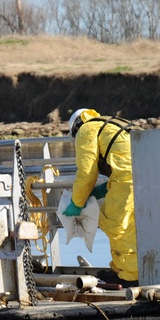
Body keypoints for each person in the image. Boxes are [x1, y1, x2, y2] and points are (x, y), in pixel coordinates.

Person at [61, 108, 138, 286]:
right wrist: (101, 190)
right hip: (143, 175)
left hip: (128, 178)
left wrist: (76, 203)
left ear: (76, 127)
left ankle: (131, 276)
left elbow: (87, 173)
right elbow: (121, 161)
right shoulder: (110, 125)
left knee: (115, 223)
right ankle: (121, 270)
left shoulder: (86, 130)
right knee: (134, 226)